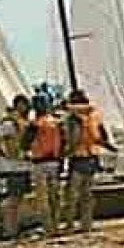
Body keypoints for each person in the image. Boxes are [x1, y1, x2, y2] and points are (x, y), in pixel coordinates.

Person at [62, 89, 113, 233]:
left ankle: (70, 224)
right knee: (87, 193)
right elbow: (103, 137)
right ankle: (87, 223)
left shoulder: (72, 118)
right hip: (93, 157)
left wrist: (64, 153)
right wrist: (112, 149)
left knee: (72, 194)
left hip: (78, 158)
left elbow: (73, 140)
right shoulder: (95, 115)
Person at [0, 94, 33, 241]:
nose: (27, 108)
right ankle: (9, 229)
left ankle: (15, 227)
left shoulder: (22, 122)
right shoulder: (9, 123)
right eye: (24, 105)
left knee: (19, 198)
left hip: (23, 166)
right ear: (18, 105)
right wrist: (3, 153)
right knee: (13, 199)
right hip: (14, 168)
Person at [22, 94, 65, 236]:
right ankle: (56, 224)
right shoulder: (57, 122)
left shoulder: (34, 124)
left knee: (43, 198)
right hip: (54, 162)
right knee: (55, 197)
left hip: (39, 163)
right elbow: (63, 143)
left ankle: (49, 229)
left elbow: (24, 144)